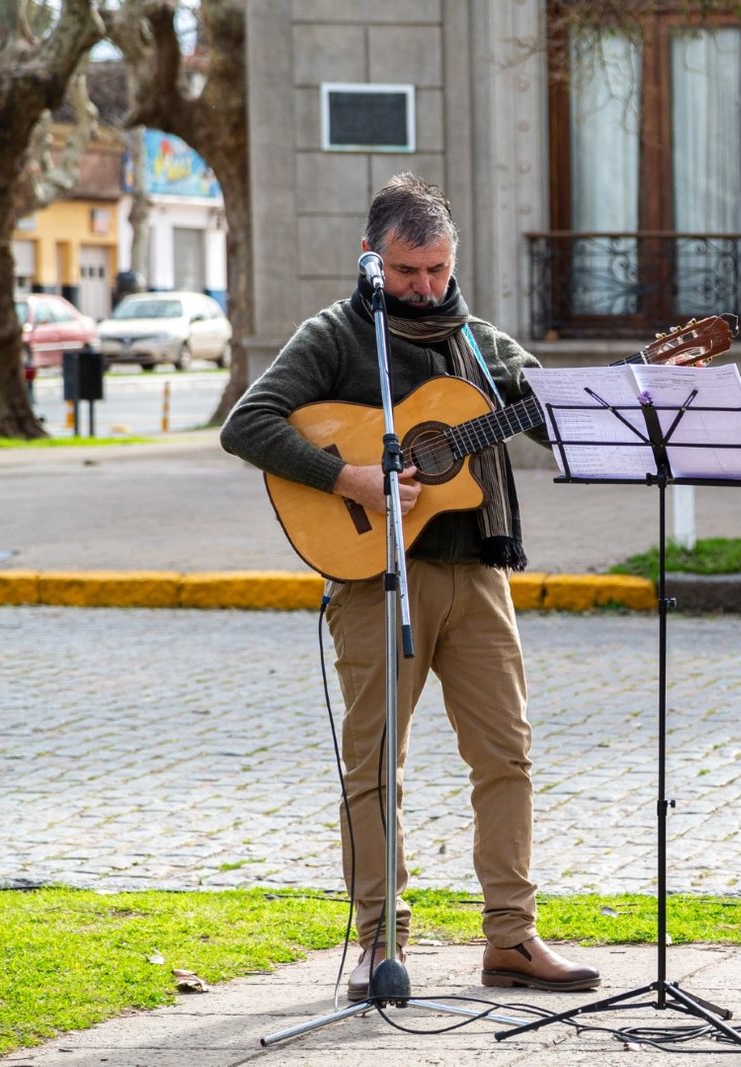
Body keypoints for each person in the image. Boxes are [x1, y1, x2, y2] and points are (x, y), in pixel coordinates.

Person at [220, 173, 599, 999]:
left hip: (479, 573)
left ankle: (512, 936)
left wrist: (622, 388)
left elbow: (557, 413)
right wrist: (349, 477)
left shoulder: (483, 344)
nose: (425, 287)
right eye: (406, 271)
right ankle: (380, 942)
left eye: (437, 269)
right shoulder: (334, 336)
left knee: (506, 754)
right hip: (378, 578)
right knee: (375, 762)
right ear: (370, 257)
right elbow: (247, 423)